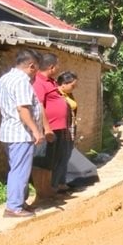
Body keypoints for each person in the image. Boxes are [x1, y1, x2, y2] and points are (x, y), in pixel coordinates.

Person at [0, 48, 46, 218]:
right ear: (32, 66)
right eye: (36, 69)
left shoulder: (5, 79)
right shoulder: (21, 81)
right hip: (21, 133)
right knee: (20, 170)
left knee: (17, 168)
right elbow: (23, 109)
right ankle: (14, 207)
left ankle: (20, 202)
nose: (35, 74)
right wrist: (36, 131)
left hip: (9, 132)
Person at [30, 52, 71, 206]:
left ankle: (48, 191)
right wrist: (47, 129)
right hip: (49, 130)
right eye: (57, 65)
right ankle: (41, 194)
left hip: (58, 129)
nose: (59, 68)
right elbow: (40, 106)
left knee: (51, 162)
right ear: (51, 67)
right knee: (42, 162)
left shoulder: (51, 82)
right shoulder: (39, 82)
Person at [54, 70, 79, 191]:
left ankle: (62, 183)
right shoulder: (56, 95)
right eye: (72, 85)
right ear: (63, 83)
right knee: (61, 156)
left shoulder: (68, 94)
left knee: (67, 155)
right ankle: (56, 184)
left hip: (70, 128)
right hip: (62, 130)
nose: (73, 88)